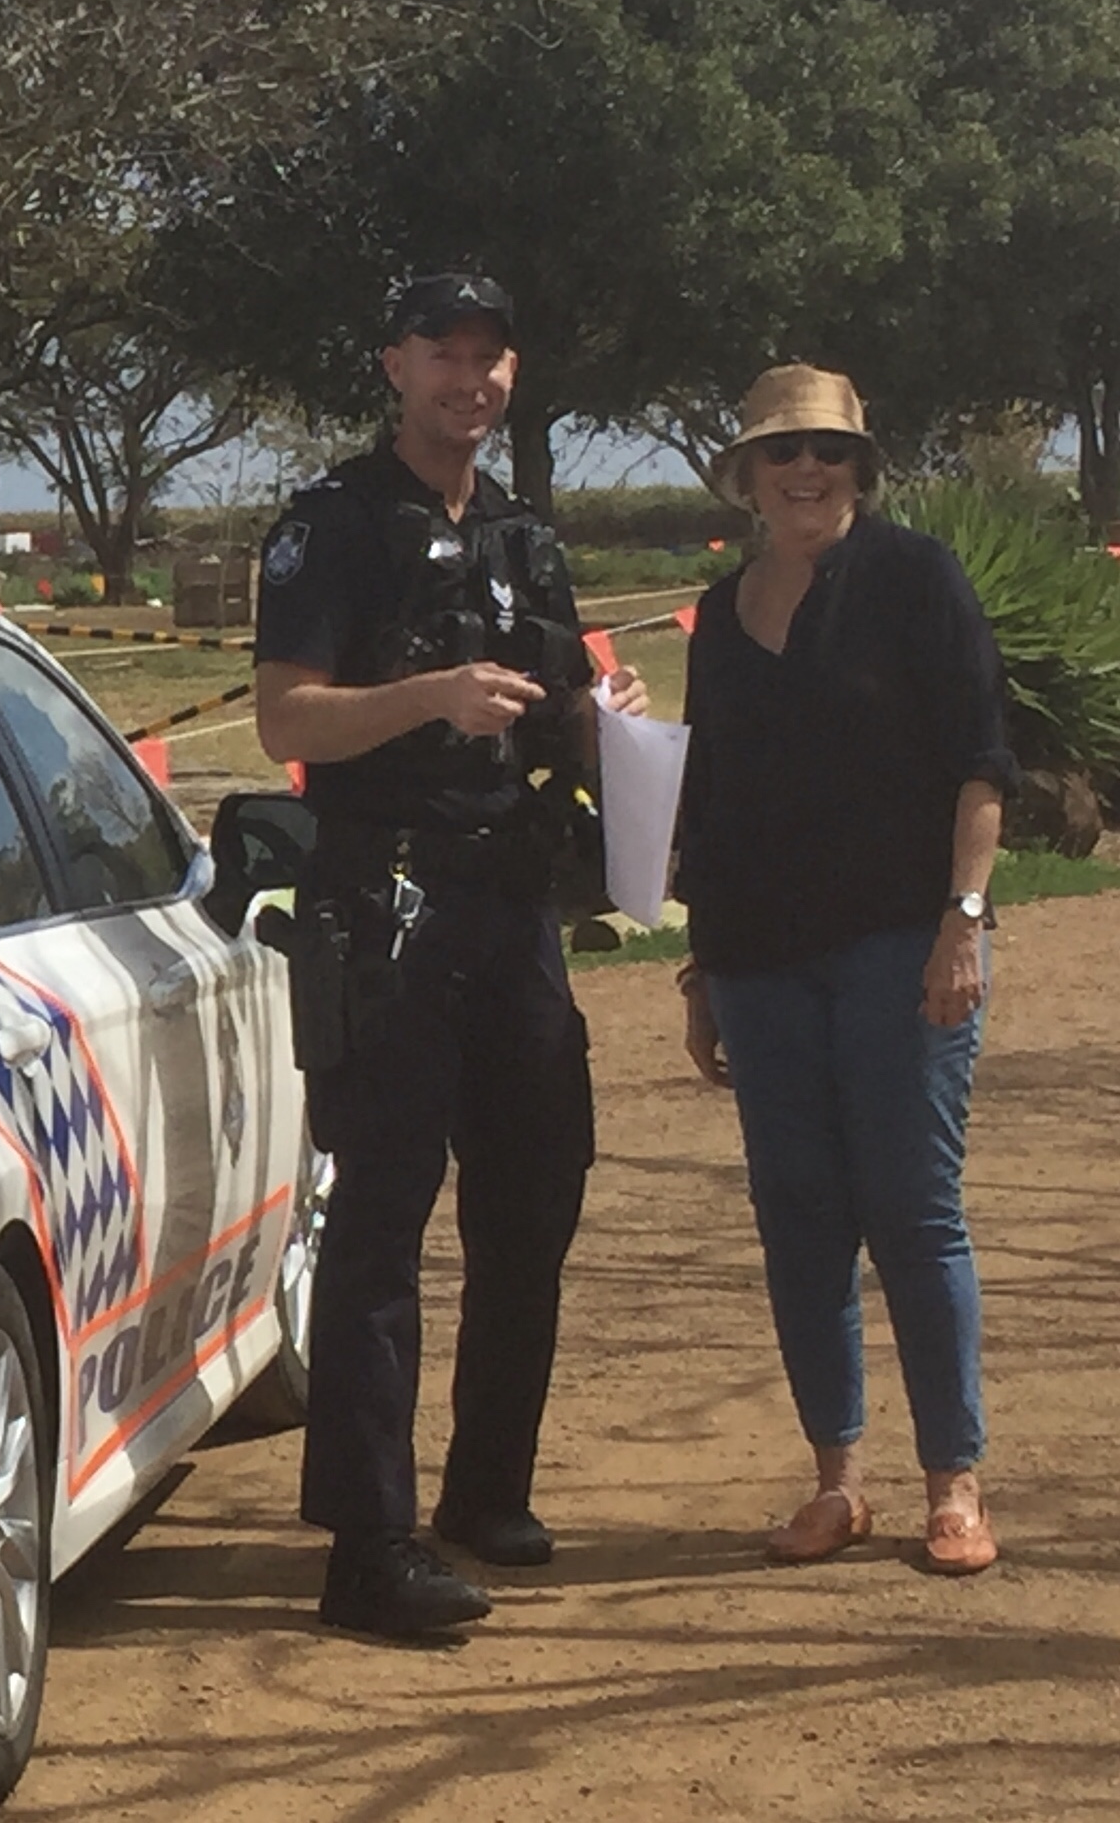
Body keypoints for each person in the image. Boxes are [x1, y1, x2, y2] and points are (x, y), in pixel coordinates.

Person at [251, 273, 645, 1639]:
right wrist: (428, 697)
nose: (467, 380)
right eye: (442, 355)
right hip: (389, 901)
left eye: (489, 358)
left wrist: (608, 718)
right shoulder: (333, 525)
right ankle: (369, 1545)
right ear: (393, 365)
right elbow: (285, 719)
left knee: (535, 1196)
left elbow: (561, 708)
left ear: (512, 374)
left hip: (513, 905)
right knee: (382, 1221)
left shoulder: (526, 536)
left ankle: (487, 1492)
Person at [674, 364, 1013, 1575]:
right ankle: (837, 1481)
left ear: (859, 469)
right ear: (749, 477)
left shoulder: (916, 576)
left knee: (913, 1212)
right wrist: (703, 971)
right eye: (783, 453)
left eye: (826, 452)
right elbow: (707, 798)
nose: (806, 471)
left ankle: (953, 1485)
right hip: (760, 962)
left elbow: (981, 759)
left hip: (900, 946)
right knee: (800, 1220)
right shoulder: (720, 614)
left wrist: (962, 919)